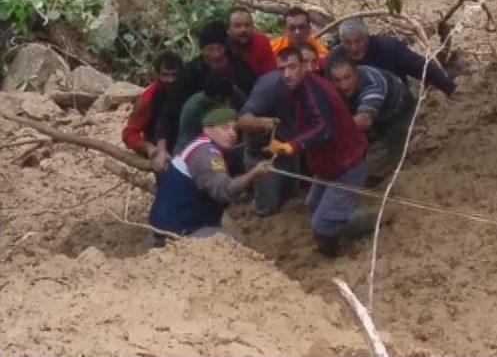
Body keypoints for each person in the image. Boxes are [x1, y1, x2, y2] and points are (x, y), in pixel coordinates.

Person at [240, 47, 368, 257]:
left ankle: (334, 257)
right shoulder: (296, 89)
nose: (287, 74)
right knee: (312, 205)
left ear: (303, 66)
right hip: (327, 163)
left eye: (292, 67)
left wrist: (292, 145)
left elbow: (322, 128)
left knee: (321, 225)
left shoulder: (313, 90)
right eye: (282, 69)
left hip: (347, 163)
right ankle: (348, 222)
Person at [149, 108, 270, 246]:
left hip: (163, 222)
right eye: (225, 128)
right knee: (236, 244)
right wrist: (254, 173)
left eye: (235, 129)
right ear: (207, 129)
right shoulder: (208, 154)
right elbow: (225, 190)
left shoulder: (198, 144)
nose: (232, 133)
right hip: (180, 229)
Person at [154, 21, 257, 172]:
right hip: (195, 142)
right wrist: (161, 151)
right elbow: (168, 114)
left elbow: (251, 106)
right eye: (209, 49)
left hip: (235, 139)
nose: (215, 54)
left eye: (219, 48)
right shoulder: (189, 77)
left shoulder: (242, 71)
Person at [328, 56, 415, 186]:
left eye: (347, 78)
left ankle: (390, 166)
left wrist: (329, 133)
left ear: (356, 74)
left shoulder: (372, 86)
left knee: (371, 170)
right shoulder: (340, 86)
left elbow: (364, 120)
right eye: (337, 80)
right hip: (362, 109)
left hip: (397, 112)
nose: (343, 85)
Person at [326, 18, 456, 96]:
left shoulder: (388, 48)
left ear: (367, 39)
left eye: (358, 41)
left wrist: (449, 89)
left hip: (397, 103)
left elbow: (422, 67)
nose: (354, 47)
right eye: (348, 43)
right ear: (341, 42)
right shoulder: (334, 59)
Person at [121, 51, 183, 160]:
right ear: (156, 74)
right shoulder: (147, 99)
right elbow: (129, 134)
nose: (170, 80)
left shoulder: (189, 89)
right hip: (163, 156)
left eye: (174, 74)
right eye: (165, 74)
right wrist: (149, 148)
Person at [226, 6, 277, 76]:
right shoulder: (221, 47)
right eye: (237, 26)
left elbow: (270, 77)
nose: (243, 30)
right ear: (228, 30)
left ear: (252, 27)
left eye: (247, 25)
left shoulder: (261, 42)